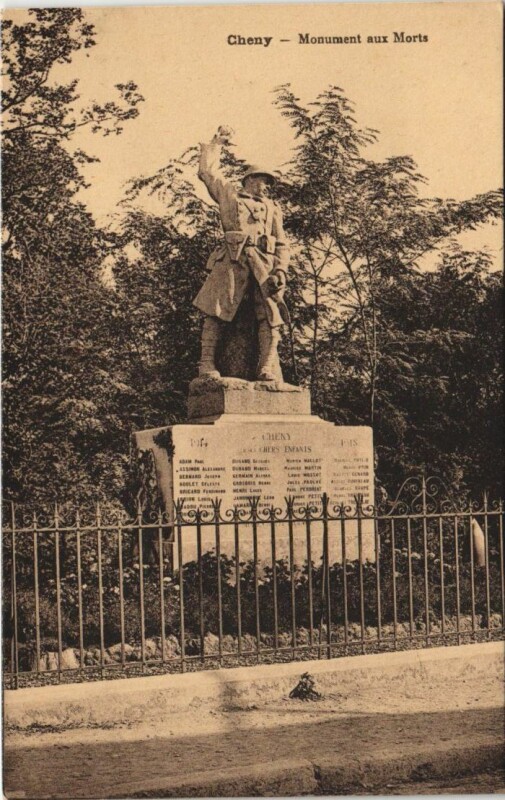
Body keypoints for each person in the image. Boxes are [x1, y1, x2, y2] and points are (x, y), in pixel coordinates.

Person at [193, 127, 290, 382]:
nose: (266, 187)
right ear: (249, 179)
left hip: (264, 267)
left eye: (269, 183)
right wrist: (216, 144)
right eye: (262, 181)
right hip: (232, 261)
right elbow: (207, 172)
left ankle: (267, 366)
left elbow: (282, 243)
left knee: (271, 314)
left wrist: (280, 270)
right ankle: (205, 363)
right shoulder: (230, 195)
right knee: (216, 310)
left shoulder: (273, 209)